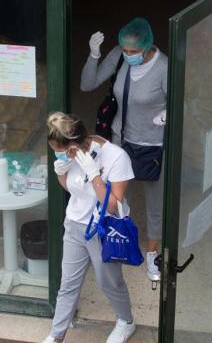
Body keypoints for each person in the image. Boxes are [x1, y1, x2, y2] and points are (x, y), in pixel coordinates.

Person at [81, 17, 167, 281]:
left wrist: (167, 114)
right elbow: (87, 84)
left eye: (134, 51)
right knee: (113, 197)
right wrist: (94, 55)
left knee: (156, 204)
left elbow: (185, 102)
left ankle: (153, 253)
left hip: (153, 145)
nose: (129, 55)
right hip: (120, 141)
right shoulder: (120, 56)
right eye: (126, 50)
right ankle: (114, 241)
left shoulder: (164, 68)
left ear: (148, 45)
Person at [42, 112, 136, 343]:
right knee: (68, 284)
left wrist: (94, 173)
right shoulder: (71, 155)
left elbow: (112, 206)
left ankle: (126, 321)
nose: (59, 154)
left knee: (109, 282)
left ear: (73, 145)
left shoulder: (116, 157)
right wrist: (60, 171)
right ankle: (56, 335)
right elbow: (71, 187)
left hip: (102, 228)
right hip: (74, 224)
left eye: (61, 151)